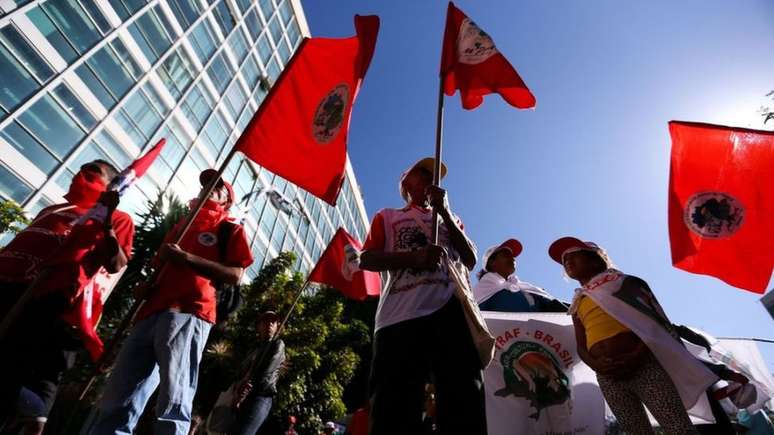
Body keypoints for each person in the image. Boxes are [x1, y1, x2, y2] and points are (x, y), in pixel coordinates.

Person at [90, 169, 254, 435]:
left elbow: (236, 275)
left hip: (190, 312)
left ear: (226, 201)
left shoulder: (229, 229)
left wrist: (187, 259)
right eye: (206, 184)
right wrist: (145, 288)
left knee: (174, 400)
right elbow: (160, 267)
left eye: (217, 186)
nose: (208, 188)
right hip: (150, 312)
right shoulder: (180, 226)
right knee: (118, 398)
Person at [0, 160, 134, 435]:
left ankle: (34, 415)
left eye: (91, 175)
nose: (80, 178)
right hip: (8, 284)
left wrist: (107, 220)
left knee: (17, 371)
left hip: (47, 297)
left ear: (109, 186)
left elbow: (116, 263)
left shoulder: (119, 219)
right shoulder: (55, 208)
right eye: (79, 172)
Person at [360, 157, 486, 435]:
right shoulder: (387, 216)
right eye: (422, 174)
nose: (431, 179)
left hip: (450, 310)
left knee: (464, 396)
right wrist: (416, 257)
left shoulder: (450, 219)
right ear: (406, 184)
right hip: (400, 315)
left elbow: (470, 258)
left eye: (433, 176)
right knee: (394, 403)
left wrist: (446, 212)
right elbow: (367, 259)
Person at [549, 236, 718, 435]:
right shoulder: (578, 302)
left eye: (573, 254)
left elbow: (655, 322)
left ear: (594, 259)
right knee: (636, 431)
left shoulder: (626, 283)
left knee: (677, 426)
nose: (566, 260)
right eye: (564, 260)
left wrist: (637, 354)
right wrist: (597, 366)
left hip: (644, 365)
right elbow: (581, 346)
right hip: (608, 376)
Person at [229, 310, 286, 435]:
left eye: (273, 321)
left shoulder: (277, 344)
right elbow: (241, 373)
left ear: (277, 326)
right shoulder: (254, 349)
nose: (269, 323)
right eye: (265, 320)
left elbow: (266, 372)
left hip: (261, 396)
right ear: (258, 326)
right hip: (242, 396)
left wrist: (247, 389)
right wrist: (238, 390)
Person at [474, 238, 566, 312]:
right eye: (506, 255)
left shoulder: (525, 289)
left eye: (513, 256)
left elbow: (559, 308)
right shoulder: (480, 293)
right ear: (492, 262)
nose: (513, 259)